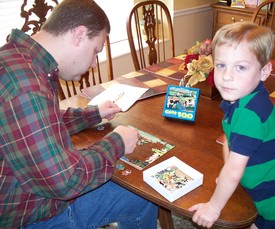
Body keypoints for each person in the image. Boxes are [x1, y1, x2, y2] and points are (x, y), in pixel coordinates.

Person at [0, 0, 158, 228]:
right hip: (32, 214)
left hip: (25, 193)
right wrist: (117, 143)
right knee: (141, 195)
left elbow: (41, 123)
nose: (94, 63)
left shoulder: (19, 61)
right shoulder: (26, 87)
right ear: (79, 35)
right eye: (95, 51)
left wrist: (93, 113)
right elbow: (66, 181)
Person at [189, 21, 275, 229]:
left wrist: (214, 206)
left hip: (268, 197)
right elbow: (229, 138)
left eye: (241, 67)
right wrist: (227, 173)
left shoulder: (249, 115)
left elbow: (235, 169)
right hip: (256, 186)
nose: (227, 76)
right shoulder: (241, 100)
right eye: (221, 65)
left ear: (264, 72)